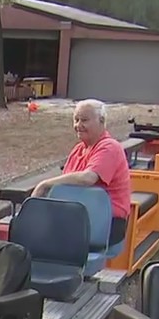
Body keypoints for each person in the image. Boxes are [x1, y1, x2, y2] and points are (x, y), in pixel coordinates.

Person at [30, 99, 131, 247]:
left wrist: (44, 185)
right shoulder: (78, 149)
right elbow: (63, 187)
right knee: (28, 228)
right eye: (76, 120)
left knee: (37, 236)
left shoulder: (110, 147)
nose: (78, 125)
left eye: (84, 120)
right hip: (78, 217)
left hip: (106, 223)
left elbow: (88, 178)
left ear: (101, 121)